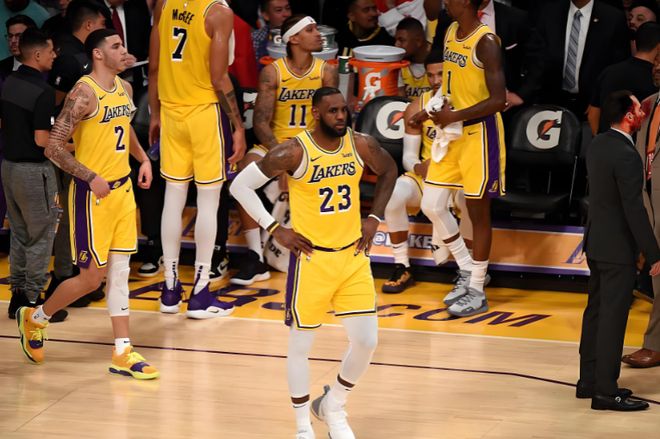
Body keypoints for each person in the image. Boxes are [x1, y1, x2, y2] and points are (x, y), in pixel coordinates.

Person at [230, 87, 397, 439]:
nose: (340, 116)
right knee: (300, 348)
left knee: (366, 341)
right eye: (332, 110)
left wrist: (375, 217)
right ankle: (303, 428)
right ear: (316, 113)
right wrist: (275, 228)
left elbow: (389, 170)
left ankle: (333, 405)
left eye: (344, 110)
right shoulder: (293, 151)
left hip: (352, 258)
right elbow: (240, 187)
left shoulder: (360, 144)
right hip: (312, 261)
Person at [15, 29, 159, 379]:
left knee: (120, 273)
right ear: (97, 54)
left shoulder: (124, 89)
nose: (123, 51)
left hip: (123, 191)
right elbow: (53, 147)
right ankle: (36, 318)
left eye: (122, 45)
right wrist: (89, 176)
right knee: (91, 279)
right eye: (115, 46)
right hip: (91, 195)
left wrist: (142, 159)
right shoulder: (83, 93)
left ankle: (122, 351)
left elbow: (125, 128)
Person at [149, 0, 246, 318]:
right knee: (208, 200)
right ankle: (201, 292)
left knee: (173, 197)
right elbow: (219, 78)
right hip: (203, 112)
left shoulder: (164, 4)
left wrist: (155, 113)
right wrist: (237, 125)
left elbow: (154, 66)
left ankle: (169, 289)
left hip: (171, 111)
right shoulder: (218, 12)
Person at [411, 0, 506, 317]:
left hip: (480, 135)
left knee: (478, 214)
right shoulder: (450, 30)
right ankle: (467, 267)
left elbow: (498, 100)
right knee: (431, 204)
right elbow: (450, 86)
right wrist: (429, 111)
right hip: (452, 133)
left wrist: (455, 116)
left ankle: (477, 288)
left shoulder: (487, 41)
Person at [232, 14, 337, 286]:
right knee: (244, 170)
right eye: (311, 30)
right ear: (294, 39)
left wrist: (299, 158)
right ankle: (255, 257)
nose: (318, 34)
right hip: (275, 144)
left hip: (312, 146)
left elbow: (331, 121)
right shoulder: (273, 72)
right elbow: (260, 122)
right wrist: (282, 159)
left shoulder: (326, 71)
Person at [579, 89, 660, 411]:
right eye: (638, 109)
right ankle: (605, 391)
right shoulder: (627, 154)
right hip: (617, 248)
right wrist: (653, 254)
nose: (643, 113)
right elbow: (634, 209)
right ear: (628, 116)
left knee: (595, 313)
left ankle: (588, 381)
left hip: (596, 242)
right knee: (612, 318)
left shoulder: (598, 144)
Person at [383, 51, 473, 294]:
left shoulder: (467, 103)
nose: (435, 80)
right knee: (394, 194)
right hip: (428, 176)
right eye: (430, 75)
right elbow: (408, 157)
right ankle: (402, 265)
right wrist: (418, 167)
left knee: (470, 199)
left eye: (441, 74)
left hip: (460, 176)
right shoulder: (417, 107)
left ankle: (469, 269)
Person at [46, 0, 107, 309]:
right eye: (102, 25)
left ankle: (81, 276)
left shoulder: (84, 56)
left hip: (88, 148)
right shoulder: (70, 57)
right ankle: (62, 277)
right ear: (89, 25)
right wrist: (63, 144)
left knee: (82, 215)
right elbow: (54, 107)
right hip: (68, 149)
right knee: (68, 214)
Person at [2, 28, 66, 321]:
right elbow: (42, 140)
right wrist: (73, 146)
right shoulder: (42, 91)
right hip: (33, 171)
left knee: (19, 233)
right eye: (51, 51)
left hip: (9, 167)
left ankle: (17, 297)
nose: (54, 55)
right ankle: (31, 301)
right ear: (38, 54)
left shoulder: (9, 81)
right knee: (41, 236)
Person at [623, 68, 660, 369]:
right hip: (648, 194)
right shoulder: (647, 103)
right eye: (656, 59)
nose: (657, 66)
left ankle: (654, 344)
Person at [588, 21, 660, 134]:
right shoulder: (656, 79)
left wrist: (600, 139)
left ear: (635, 43)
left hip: (605, 141)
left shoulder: (608, 72)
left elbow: (592, 114)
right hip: (638, 144)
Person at [394, 16, 431, 100]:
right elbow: (401, 101)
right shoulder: (399, 64)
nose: (396, 45)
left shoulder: (439, 60)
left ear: (418, 41)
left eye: (401, 40)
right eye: (396, 40)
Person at [252, 0, 292, 69]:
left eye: (288, 8)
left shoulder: (303, 35)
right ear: (266, 16)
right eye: (279, 10)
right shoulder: (255, 39)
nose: (286, 14)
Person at [0, 14, 35, 80]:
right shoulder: (1, 68)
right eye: (10, 36)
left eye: (18, 36)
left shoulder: (45, 65)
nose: (13, 41)